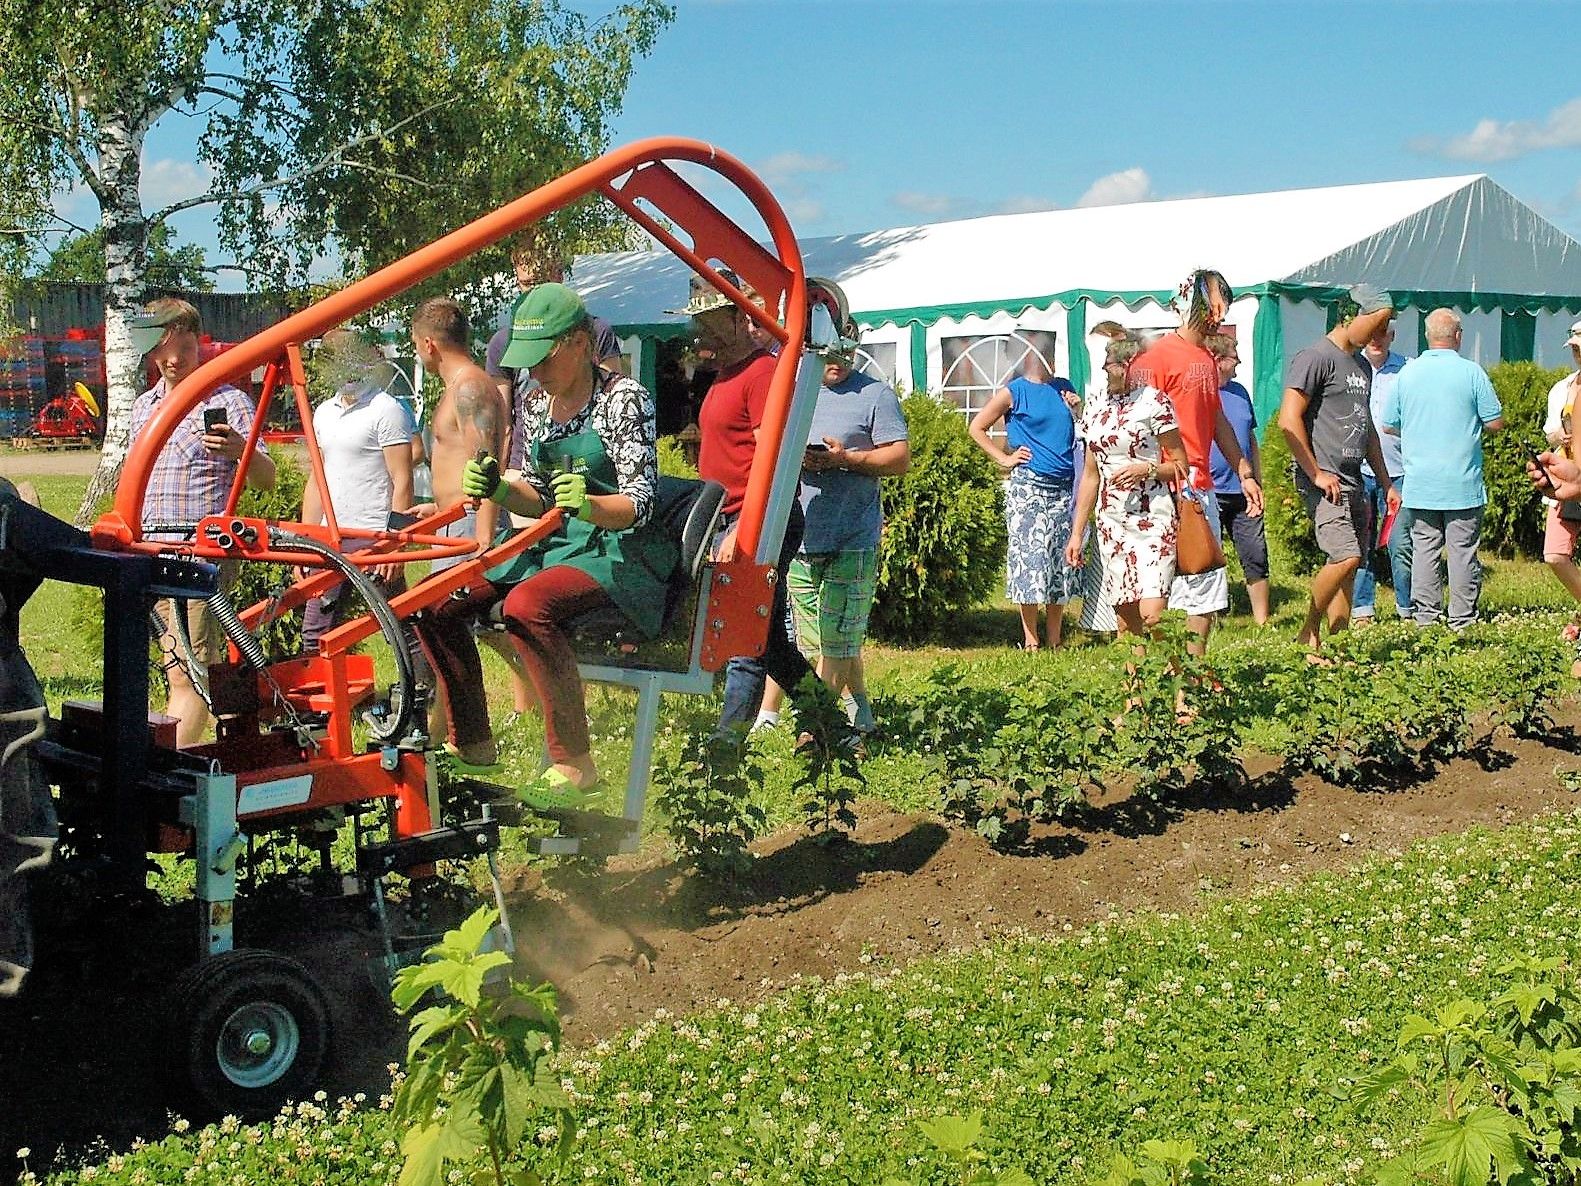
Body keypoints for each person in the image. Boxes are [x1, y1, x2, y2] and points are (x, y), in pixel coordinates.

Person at [417, 283, 676, 803]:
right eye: (527, 363)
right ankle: (471, 742)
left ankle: (575, 764)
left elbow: (641, 503)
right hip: (554, 543)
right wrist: (498, 487)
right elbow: (535, 493)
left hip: (619, 551)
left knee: (527, 605)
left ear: (579, 342)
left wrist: (588, 505)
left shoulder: (625, 400)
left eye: (543, 360)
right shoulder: (537, 404)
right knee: (436, 602)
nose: (533, 373)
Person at [125, 297, 277, 746]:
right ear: (151, 350)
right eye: (164, 349)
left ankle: (172, 774)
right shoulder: (142, 407)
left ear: (199, 342)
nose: (173, 360)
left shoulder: (228, 401)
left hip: (201, 555)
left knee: (189, 673)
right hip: (152, 551)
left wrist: (238, 452)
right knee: (177, 663)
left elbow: (266, 478)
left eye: (185, 348)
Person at [676, 273, 822, 738]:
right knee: (765, 639)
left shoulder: (760, 373)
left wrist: (747, 527)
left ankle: (728, 743)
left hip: (760, 518)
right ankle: (829, 723)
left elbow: (775, 459)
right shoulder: (724, 374)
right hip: (732, 515)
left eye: (712, 321)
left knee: (745, 631)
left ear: (740, 318)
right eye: (699, 322)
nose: (703, 332)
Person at [1129, 269, 1263, 656]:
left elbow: (1216, 417)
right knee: (1155, 590)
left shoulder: (1206, 357)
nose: (1220, 315)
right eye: (1215, 304)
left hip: (1201, 487)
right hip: (1163, 490)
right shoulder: (1153, 361)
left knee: (1203, 583)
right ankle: (1153, 676)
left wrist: (1244, 470)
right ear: (1194, 304)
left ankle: (1192, 676)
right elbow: (1137, 425)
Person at [785, 333, 910, 736]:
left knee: (837, 638)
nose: (835, 361)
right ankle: (862, 715)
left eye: (843, 353)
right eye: (826, 354)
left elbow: (898, 458)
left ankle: (819, 730)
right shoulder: (796, 391)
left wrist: (845, 459)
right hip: (801, 536)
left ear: (855, 350)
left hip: (852, 536)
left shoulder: (875, 395)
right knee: (815, 641)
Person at [1278, 284, 1400, 655]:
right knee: (1345, 555)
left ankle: (1339, 645)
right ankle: (1308, 630)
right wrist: (1315, 472)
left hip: (1354, 479)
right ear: (1350, 317)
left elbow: (1368, 432)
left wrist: (1386, 481)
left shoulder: (1362, 365)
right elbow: (1288, 419)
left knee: (1350, 567)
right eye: (1376, 325)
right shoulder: (1315, 357)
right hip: (1324, 481)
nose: (1380, 335)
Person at [1380, 308, 1504, 629]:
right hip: (1463, 483)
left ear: (1427, 336)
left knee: (1425, 550)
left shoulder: (1407, 373)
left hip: (1421, 482)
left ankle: (1426, 619)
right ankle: (1462, 619)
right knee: (1462, 553)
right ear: (1458, 337)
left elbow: (1389, 425)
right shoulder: (1472, 372)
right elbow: (1495, 422)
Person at [1065, 336, 1188, 637]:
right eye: (1107, 366)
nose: (1108, 373)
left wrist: (1146, 470)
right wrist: (1077, 533)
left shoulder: (1155, 402)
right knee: (1126, 620)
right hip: (1112, 522)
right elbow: (1091, 476)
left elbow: (1181, 465)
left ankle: (1178, 679)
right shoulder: (1095, 406)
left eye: (1113, 367)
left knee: (1153, 615)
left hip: (1152, 518)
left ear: (1130, 366)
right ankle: (1136, 683)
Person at [300, 329, 414, 648]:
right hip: (328, 540)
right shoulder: (324, 412)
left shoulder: (386, 408)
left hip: (374, 537)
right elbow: (316, 477)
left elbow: (402, 479)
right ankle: (326, 697)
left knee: (399, 626)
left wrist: (395, 544)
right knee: (316, 635)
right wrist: (303, 542)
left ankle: (423, 692)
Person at [969, 353, 1080, 650]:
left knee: (1061, 561)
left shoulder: (1063, 387)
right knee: (1029, 560)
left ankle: (1055, 640)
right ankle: (1031, 639)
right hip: (1029, 486)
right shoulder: (1014, 390)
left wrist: (1077, 409)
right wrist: (1004, 459)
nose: (1051, 360)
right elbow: (976, 427)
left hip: (1064, 487)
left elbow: (1080, 433)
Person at [1204, 333, 1269, 625]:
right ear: (1218, 361)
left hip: (1243, 489)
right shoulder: (1200, 392)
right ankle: (1211, 617)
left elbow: (1250, 438)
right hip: (1210, 490)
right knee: (1209, 557)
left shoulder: (1240, 392)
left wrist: (1257, 476)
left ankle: (1261, 620)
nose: (1240, 362)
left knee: (1255, 552)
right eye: (1234, 356)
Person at [1351, 321, 1412, 622]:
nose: (1376, 339)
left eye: (1383, 334)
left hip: (1399, 470)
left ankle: (1407, 607)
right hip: (1360, 471)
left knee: (1401, 543)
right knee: (1361, 541)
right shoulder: (1349, 368)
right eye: (1372, 333)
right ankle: (1362, 609)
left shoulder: (1408, 369)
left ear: (1392, 336)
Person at [1540, 320, 1581, 604]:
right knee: (1555, 554)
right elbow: (1550, 430)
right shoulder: (1563, 388)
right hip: (1569, 481)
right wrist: (1561, 436)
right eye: (1575, 350)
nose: (1578, 355)